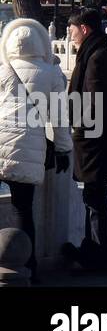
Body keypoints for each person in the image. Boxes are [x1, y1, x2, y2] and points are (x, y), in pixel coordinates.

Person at [0, 20, 72, 284]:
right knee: (22, 209)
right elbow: (60, 118)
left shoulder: (2, 70)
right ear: (41, 42)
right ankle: (27, 267)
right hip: (27, 147)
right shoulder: (50, 74)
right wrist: (63, 148)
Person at [62, 7, 107, 274]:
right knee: (96, 198)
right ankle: (93, 252)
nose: (69, 33)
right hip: (105, 135)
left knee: (96, 199)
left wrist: (80, 129)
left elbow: (92, 102)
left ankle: (100, 258)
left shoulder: (95, 57)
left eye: (72, 28)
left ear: (85, 29)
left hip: (94, 141)